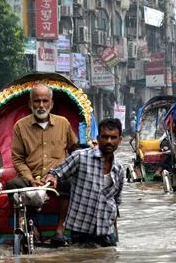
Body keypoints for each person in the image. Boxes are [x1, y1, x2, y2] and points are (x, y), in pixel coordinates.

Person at [9, 83, 78, 246]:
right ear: (30, 103)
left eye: (45, 101)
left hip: (58, 177)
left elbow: (74, 152)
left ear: (51, 103)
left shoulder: (63, 123)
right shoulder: (20, 126)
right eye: (37, 101)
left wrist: (58, 173)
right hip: (31, 178)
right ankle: (30, 226)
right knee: (12, 185)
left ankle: (60, 230)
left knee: (69, 183)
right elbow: (17, 159)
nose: (41, 105)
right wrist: (31, 179)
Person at [43, 118, 124, 247]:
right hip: (81, 230)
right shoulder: (80, 157)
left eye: (113, 138)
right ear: (98, 138)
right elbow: (57, 172)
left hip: (106, 232)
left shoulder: (119, 169)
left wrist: (116, 235)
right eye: (105, 137)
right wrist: (51, 177)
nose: (109, 141)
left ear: (120, 140)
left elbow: (115, 202)